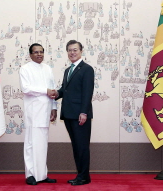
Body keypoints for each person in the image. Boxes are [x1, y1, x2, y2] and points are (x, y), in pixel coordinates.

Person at [54, 40, 94, 186]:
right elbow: (65, 90)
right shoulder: (68, 70)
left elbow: (87, 92)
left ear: (81, 51)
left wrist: (84, 112)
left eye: (75, 50)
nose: (72, 52)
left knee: (82, 146)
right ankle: (81, 175)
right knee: (76, 146)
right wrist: (55, 94)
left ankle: (84, 177)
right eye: (70, 50)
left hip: (80, 115)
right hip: (69, 114)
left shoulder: (87, 69)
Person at [19, 43, 58, 185]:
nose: (39, 54)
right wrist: (45, 90)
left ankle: (41, 175)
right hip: (33, 112)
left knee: (42, 143)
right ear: (30, 54)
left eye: (41, 52)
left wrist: (54, 107)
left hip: (46, 111)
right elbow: (26, 88)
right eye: (36, 52)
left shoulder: (47, 68)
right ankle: (30, 174)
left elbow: (52, 89)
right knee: (31, 143)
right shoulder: (25, 69)